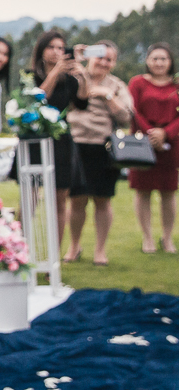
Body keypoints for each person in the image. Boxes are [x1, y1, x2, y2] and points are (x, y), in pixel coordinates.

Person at [66, 40, 133, 265]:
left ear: (113, 63)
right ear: (90, 56)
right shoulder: (75, 77)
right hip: (75, 143)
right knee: (76, 200)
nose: (103, 62)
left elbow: (126, 117)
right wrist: (74, 58)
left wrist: (107, 95)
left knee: (103, 200)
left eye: (109, 59)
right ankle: (74, 246)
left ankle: (100, 250)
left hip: (103, 147)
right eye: (100, 56)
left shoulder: (116, 85)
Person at [28, 30, 89, 247]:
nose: (57, 52)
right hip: (35, 140)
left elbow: (82, 103)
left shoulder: (69, 79)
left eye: (61, 48)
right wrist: (55, 72)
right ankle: (20, 250)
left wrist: (83, 75)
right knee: (30, 198)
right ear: (41, 50)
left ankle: (55, 258)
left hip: (62, 141)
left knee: (60, 200)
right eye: (52, 47)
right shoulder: (29, 75)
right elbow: (38, 97)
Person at [128, 42, 179, 254]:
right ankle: (147, 237)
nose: (159, 63)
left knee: (168, 192)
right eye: (155, 58)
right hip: (142, 143)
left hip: (171, 143)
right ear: (148, 61)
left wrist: (165, 133)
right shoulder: (138, 83)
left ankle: (167, 238)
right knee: (143, 191)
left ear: (170, 62)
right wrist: (151, 133)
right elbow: (132, 109)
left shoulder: (176, 85)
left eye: (163, 59)